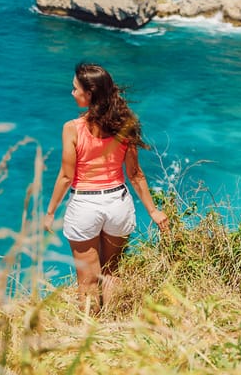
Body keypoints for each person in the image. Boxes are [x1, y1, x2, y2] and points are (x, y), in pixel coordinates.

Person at [43, 62, 169, 311]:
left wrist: (49, 213)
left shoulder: (72, 128)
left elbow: (66, 176)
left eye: (75, 88)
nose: (72, 93)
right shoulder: (124, 124)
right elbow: (135, 174)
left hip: (85, 206)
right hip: (117, 204)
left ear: (89, 94)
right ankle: (113, 327)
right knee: (112, 272)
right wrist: (154, 211)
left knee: (87, 281)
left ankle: (90, 334)